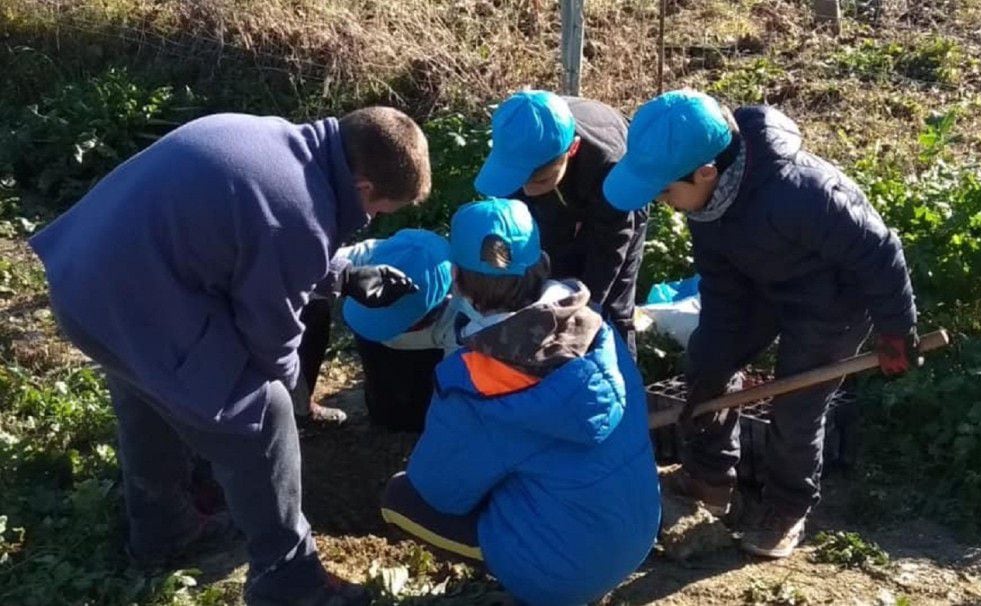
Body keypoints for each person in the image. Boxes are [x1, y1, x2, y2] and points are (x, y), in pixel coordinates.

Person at [29, 107, 431, 605]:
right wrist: (291, 404)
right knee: (265, 414)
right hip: (135, 302)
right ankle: (289, 581)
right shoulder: (296, 214)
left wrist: (343, 277)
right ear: (365, 188)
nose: (373, 218)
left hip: (86, 285)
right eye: (382, 210)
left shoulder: (271, 139)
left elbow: (250, 239)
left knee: (147, 388)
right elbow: (271, 340)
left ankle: (161, 530)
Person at [603, 90, 919, 559]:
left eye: (667, 191)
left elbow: (878, 251)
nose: (666, 203)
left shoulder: (799, 192)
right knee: (707, 367)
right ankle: (710, 480)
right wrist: (713, 359)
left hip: (832, 302)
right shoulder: (705, 201)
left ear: (706, 171)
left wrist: (897, 328)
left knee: (796, 405)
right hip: (759, 287)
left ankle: (787, 508)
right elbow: (721, 286)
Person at [381, 198, 661, 606]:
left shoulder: (475, 384)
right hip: (636, 534)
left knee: (401, 499)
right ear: (543, 262)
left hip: (563, 574)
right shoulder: (597, 328)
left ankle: (534, 584)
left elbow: (436, 490)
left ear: (456, 281)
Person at [474, 90, 646, 355]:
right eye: (521, 182)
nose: (528, 191)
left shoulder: (609, 167)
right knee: (549, 274)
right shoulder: (515, 143)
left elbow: (609, 247)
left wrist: (585, 307)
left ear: (572, 149)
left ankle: (619, 380)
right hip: (558, 182)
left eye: (539, 181)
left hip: (612, 198)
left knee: (611, 308)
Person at [294, 228, 459, 431]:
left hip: (425, 366)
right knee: (384, 410)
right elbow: (299, 270)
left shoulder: (460, 313)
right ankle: (300, 406)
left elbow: (455, 385)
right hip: (377, 362)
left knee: (413, 416)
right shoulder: (367, 254)